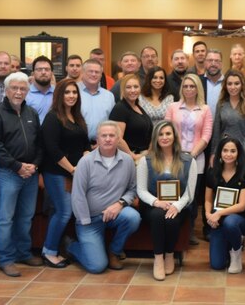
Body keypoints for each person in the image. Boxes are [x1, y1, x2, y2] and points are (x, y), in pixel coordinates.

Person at [0, 71, 44, 277]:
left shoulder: (32, 113)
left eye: (23, 89)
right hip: (8, 173)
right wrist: (18, 166)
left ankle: (23, 253)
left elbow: (39, 143)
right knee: (5, 218)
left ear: (27, 91)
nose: (19, 92)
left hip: (30, 174)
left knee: (26, 216)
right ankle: (6, 259)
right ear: (6, 90)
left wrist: (34, 165)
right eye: (15, 88)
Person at [68, 121, 142, 273]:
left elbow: (132, 189)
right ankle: (71, 246)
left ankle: (114, 251)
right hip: (90, 220)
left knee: (133, 218)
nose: (108, 139)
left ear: (118, 138)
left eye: (112, 135)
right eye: (104, 136)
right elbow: (78, 195)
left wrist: (120, 204)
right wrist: (85, 222)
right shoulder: (85, 162)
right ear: (97, 139)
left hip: (116, 214)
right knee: (97, 267)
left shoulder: (127, 161)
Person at [137, 121, 197, 281]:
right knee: (158, 216)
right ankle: (158, 259)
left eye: (168, 133)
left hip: (180, 206)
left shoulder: (189, 160)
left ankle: (169, 254)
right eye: (161, 134)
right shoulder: (146, 160)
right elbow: (141, 190)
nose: (164, 137)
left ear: (174, 136)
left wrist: (177, 206)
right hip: (153, 205)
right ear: (155, 138)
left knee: (171, 220)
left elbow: (190, 193)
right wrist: (157, 202)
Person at [40, 78, 91, 268]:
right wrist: (72, 169)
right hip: (57, 172)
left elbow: (85, 143)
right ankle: (49, 252)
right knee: (63, 212)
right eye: (67, 92)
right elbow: (52, 148)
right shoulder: (53, 117)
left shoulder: (77, 117)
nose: (71, 96)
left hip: (77, 173)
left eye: (74, 92)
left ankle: (60, 248)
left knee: (68, 212)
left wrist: (85, 159)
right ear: (59, 95)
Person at [165, 73, 213, 244]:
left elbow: (206, 135)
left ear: (197, 88)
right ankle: (174, 229)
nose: (188, 89)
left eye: (192, 86)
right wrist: (177, 152)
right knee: (175, 194)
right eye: (185, 86)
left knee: (191, 197)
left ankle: (189, 231)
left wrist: (191, 154)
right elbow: (166, 130)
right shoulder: (173, 107)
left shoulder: (205, 109)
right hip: (173, 157)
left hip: (196, 158)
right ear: (181, 88)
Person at [205, 137, 245, 273]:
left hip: (238, 218)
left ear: (238, 153)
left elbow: (242, 205)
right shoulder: (212, 173)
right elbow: (208, 200)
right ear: (220, 152)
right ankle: (229, 243)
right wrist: (209, 216)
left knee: (230, 223)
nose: (228, 154)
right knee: (217, 264)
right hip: (217, 219)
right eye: (225, 150)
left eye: (233, 151)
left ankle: (236, 251)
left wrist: (218, 213)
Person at [210, 70, 245, 162]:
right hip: (224, 153)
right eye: (229, 84)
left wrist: (243, 152)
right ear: (225, 86)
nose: (233, 87)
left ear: (242, 85)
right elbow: (216, 130)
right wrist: (214, 152)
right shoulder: (221, 103)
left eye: (236, 83)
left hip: (243, 153)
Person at [109, 74, 153, 162]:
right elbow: (117, 139)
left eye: (136, 87)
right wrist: (132, 156)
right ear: (123, 89)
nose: (133, 90)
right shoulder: (120, 108)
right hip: (128, 159)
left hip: (142, 156)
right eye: (128, 87)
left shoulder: (137, 106)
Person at [78, 59, 115, 144]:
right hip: (77, 144)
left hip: (103, 144)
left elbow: (112, 122)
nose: (94, 74)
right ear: (82, 73)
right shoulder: (74, 92)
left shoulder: (109, 96)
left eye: (97, 72)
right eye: (90, 71)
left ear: (101, 75)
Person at [25, 55, 55, 124]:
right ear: (33, 73)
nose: (43, 72)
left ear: (52, 73)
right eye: (39, 69)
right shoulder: (25, 94)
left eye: (47, 69)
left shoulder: (58, 93)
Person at [202, 49, 225, 118]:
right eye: (210, 60)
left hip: (223, 127)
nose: (213, 64)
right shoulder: (198, 82)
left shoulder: (228, 83)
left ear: (221, 64)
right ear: (205, 63)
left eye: (217, 61)